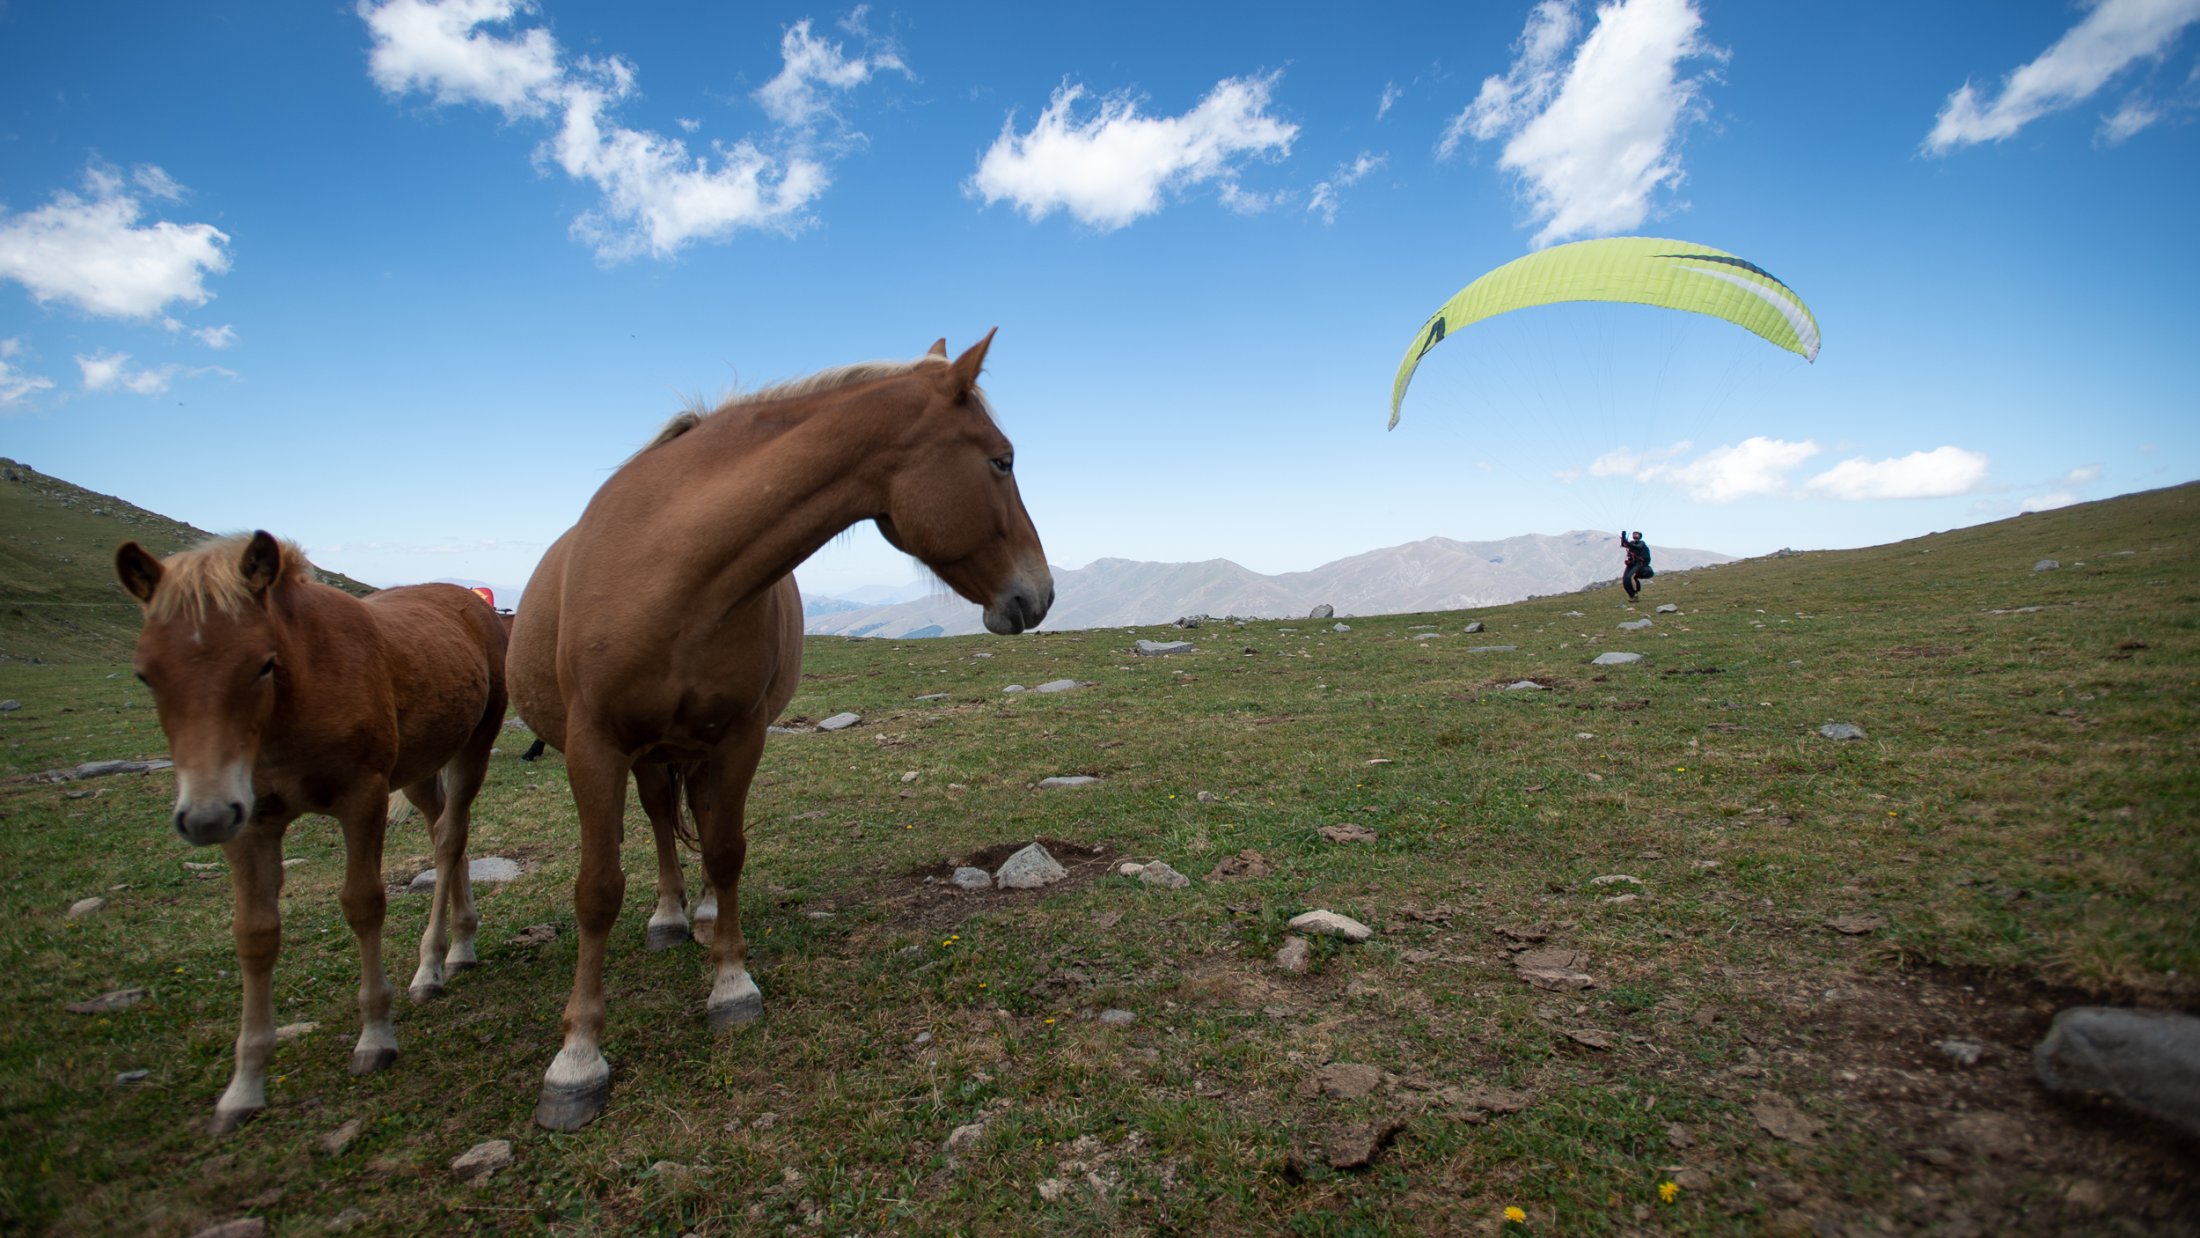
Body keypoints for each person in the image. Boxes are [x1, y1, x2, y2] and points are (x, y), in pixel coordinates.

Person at [1621, 530, 1652, 601]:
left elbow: (1637, 547)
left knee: (1631, 577)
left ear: (1640, 536)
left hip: (1639, 563)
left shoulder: (1641, 543)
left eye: (1636, 534)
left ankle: (1635, 594)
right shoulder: (1631, 543)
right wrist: (1623, 537)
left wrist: (1626, 542)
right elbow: (1624, 545)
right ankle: (1632, 595)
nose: (1634, 534)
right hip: (1631, 563)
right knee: (1625, 579)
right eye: (1634, 533)